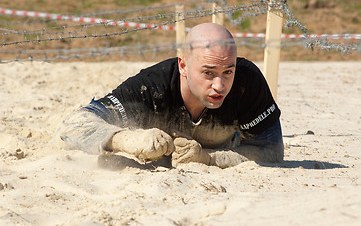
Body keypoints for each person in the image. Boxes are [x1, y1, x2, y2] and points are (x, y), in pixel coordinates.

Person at [58, 23, 284, 169]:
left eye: (228, 72)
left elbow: (271, 151)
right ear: (183, 66)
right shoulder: (152, 87)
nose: (219, 85)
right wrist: (127, 140)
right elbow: (74, 126)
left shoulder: (247, 82)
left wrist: (208, 158)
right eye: (208, 73)